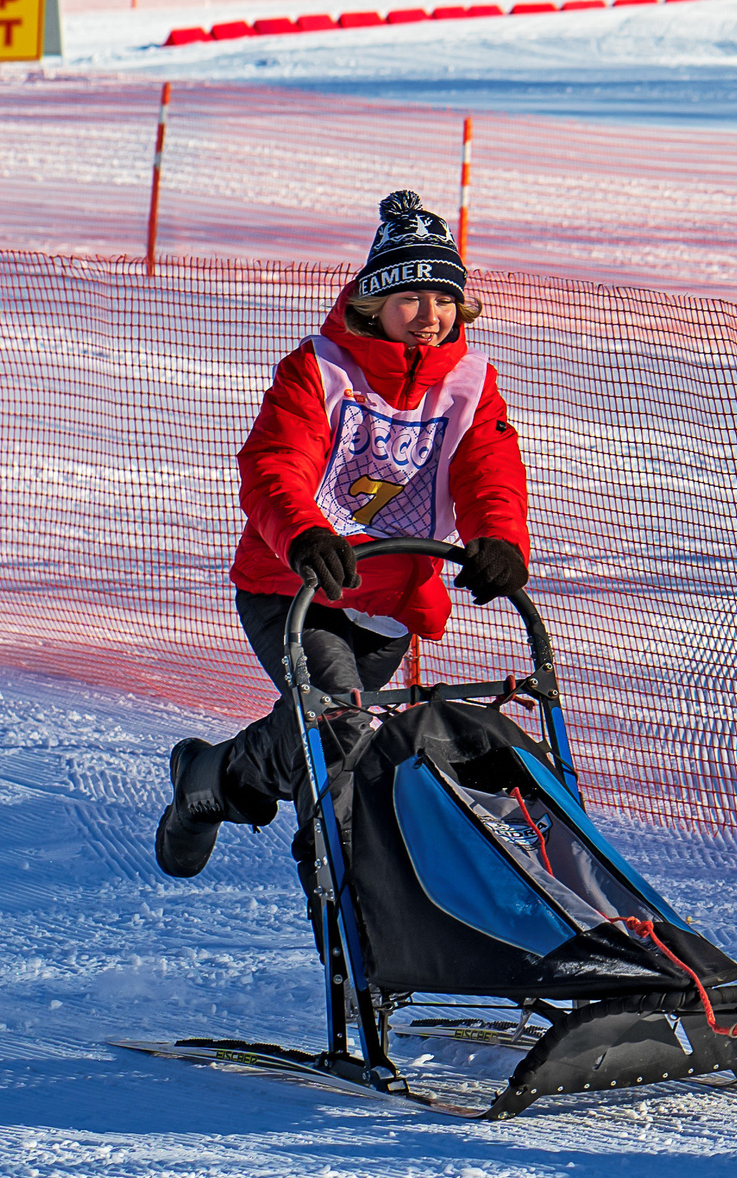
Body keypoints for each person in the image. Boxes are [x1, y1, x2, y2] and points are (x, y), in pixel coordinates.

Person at [157, 191, 532, 879]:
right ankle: (343, 886)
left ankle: (208, 779)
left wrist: (501, 542)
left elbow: (490, 474)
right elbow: (275, 464)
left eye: (443, 297)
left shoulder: (471, 386)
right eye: (410, 298)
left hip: (389, 604)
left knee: (328, 731)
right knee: (338, 731)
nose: (430, 315)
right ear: (373, 302)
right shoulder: (320, 370)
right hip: (294, 583)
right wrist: (303, 534)